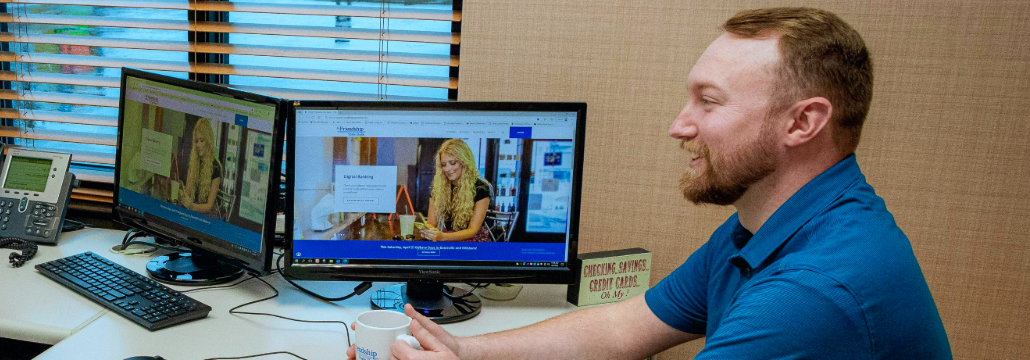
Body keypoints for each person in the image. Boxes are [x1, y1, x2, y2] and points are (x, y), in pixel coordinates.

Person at [359, 7, 950, 359]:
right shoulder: (770, 225)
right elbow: (623, 328)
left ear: (803, 123)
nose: (678, 125)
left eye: (709, 102)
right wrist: (465, 350)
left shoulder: (813, 295)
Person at [419, 139, 491, 242]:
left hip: (474, 242)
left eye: (452, 163)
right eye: (444, 165)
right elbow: (431, 222)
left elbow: (472, 230)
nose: (448, 169)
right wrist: (427, 230)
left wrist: (443, 237)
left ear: (464, 162)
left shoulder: (481, 188)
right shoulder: (438, 187)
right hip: (448, 237)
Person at [180, 118, 222, 214]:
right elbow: (188, 192)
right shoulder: (193, 161)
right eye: (196, 141)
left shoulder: (216, 167)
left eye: (202, 141)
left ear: (208, 141)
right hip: (193, 210)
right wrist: (183, 196)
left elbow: (209, 206)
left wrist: (192, 206)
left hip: (207, 216)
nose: (198, 145)